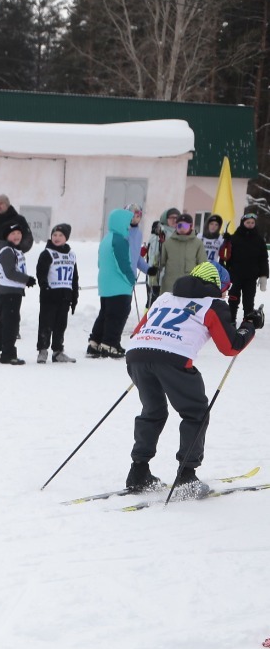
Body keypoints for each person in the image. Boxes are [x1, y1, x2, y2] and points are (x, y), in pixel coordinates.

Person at [122, 262, 254, 497]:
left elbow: (137, 331)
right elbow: (230, 346)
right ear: (217, 285)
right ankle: (186, 477)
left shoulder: (164, 298)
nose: (225, 292)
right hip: (173, 358)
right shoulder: (213, 305)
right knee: (196, 413)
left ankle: (138, 471)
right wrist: (250, 326)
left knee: (153, 410)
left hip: (137, 353)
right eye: (225, 287)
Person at [89, 208, 140, 360]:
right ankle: (110, 344)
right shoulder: (119, 240)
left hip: (106, 285)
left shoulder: (106, 239)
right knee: (117, 315)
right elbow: (123, 264)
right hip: (119, 286)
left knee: (105, 314)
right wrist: (132, 279)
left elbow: (100, 262)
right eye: (128, 222)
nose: (129, 226)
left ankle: (95, 342)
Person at [0, 222, 34, 365]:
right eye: (13, 234)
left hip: (13, 293)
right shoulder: (6, 250)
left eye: (19, 233)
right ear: (7, 236)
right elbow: (10, 273)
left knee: (2, 325)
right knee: (11, 326)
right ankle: (8, 354)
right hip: (8, 293)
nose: (17, 236)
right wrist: (27, 280)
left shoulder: (15, 250)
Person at [34, 224, 79, 363]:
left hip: (65, 295)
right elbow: (40, 273)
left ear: (66, 238)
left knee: (61, 325)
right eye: (54, 235)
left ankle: (58, 351)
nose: (57, 238)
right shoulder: (47, 253)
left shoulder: (71, 255)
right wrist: (45, 287)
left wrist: (74, 295)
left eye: (60, 235)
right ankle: (42, 350)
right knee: (46, 324)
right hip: (50, 296)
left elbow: (74, 277)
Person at [0, 194, 33, 310]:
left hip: (13, 267)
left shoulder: (19, 220)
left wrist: (17, 250)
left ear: (7, 204)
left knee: (12, 298)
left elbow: (28, 239)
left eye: (1, 203)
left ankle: (10, 324)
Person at [224, 212, 266, 325]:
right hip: (235, 275)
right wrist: (226, 241)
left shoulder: (259, 240)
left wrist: (263, 276)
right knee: (233, 299)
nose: (250, 224)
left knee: (249, 301)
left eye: (252, 223)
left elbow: (263, 259)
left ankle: (248, 320)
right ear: (243, 223)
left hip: (251, 277)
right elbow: (226, 257)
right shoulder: (234, 238)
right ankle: (231, 319)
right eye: (248, 222)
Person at [156, 210, 207, 291]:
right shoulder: (168, 243)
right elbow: (159, 264)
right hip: (170, 287)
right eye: (179, 226)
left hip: (190, 287)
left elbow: (203, 265)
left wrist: (203, 284)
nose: (182, 228)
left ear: (191, 226)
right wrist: (155, 282)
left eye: (185, 226)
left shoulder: (198, 244)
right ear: (176, 226)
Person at [144, 207, 180, 306]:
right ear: (165, 219)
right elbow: (153, 257)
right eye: (171, 218)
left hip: (175, 279)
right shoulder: (159, 234)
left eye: (177, 218)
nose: (174, 220)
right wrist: (153, 279)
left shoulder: (180, 235)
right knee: (155, 307)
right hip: (159, 279)